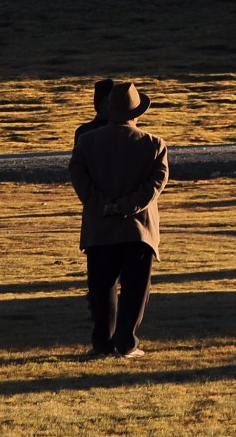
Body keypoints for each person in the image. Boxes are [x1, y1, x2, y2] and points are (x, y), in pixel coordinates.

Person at [68, 78, 170, 358]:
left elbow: (79, 177)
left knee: (102, 289)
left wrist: (103, 205)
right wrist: (127, 206)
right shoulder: (153, 144)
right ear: (137, 113)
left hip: (99, 228)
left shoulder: (86, 141)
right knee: (136, 288)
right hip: (138, 229)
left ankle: (102, 343)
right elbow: (155, 184)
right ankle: (126, 344)